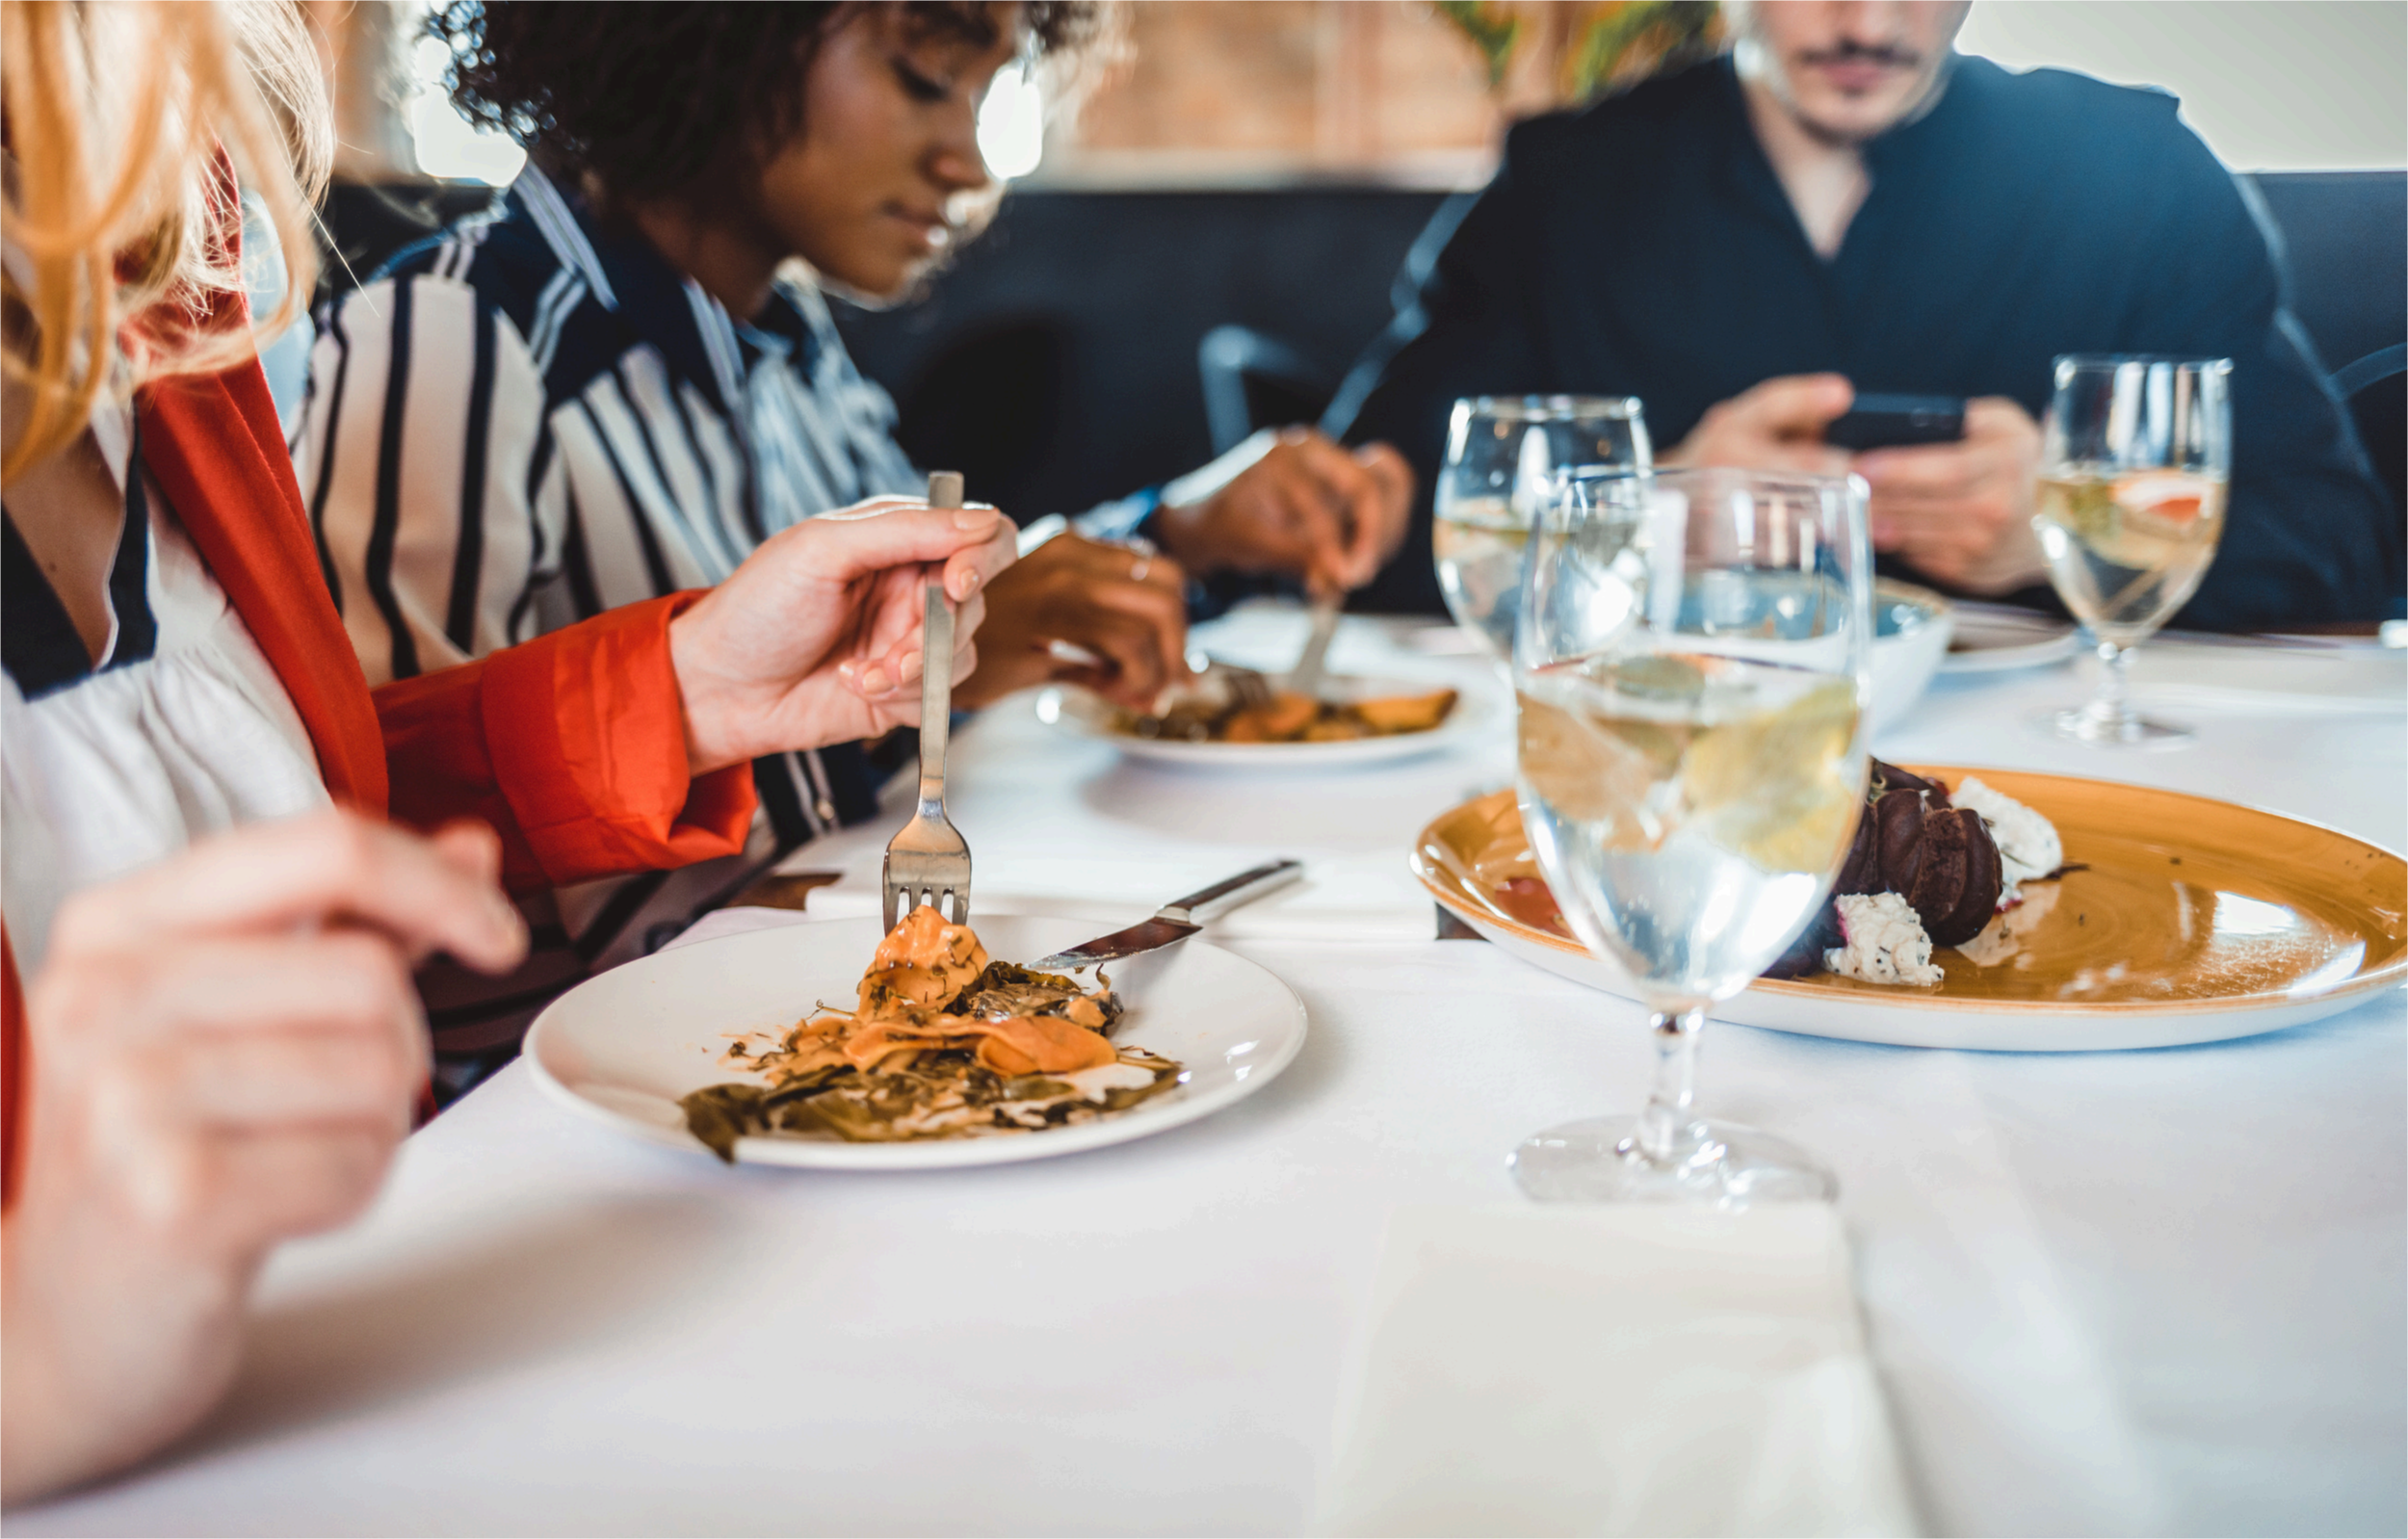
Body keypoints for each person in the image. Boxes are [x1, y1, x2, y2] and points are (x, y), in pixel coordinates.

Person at [0, 0, 1014, 1502]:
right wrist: (46, 1359)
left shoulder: (172, 303)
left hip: (417, 1338)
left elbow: (277, 824)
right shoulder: (437, 331)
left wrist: (677, 695)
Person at [295, 0, 1411, 1000]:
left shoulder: (788, 343)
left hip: (800, 1002)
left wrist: (1177, 530)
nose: (969, 162)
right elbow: (389, 850)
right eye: (926, 77)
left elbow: (914, 628)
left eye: (988, 97)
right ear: (722, 36)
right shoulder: (447, 342)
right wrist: (919, 678)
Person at [1336, 0, 2402, 626]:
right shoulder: (1559, 189)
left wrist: (2068, 524)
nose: (1864, 21)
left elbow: (2335, 536)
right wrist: (1650, 512)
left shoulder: (2141, 176)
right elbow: (1358, 529)